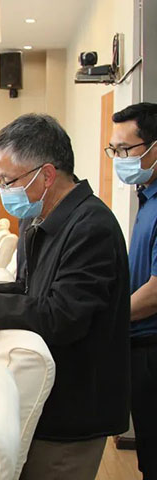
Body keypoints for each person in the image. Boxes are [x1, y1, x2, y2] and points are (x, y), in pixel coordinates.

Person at [0, 114, 130, 480]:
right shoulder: (38, 218)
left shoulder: (91, 226)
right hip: (46, 403)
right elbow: (28, 288)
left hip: (74, 410)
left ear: (46, 175)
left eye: (9, 180)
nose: (3, 189)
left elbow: (61, 316)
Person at [109, 102, 157, 479]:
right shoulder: (147, 197)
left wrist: (108, 318)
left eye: (126, 149)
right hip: (139, 344)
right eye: (114, 150)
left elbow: (156, 293)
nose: (119, 159)